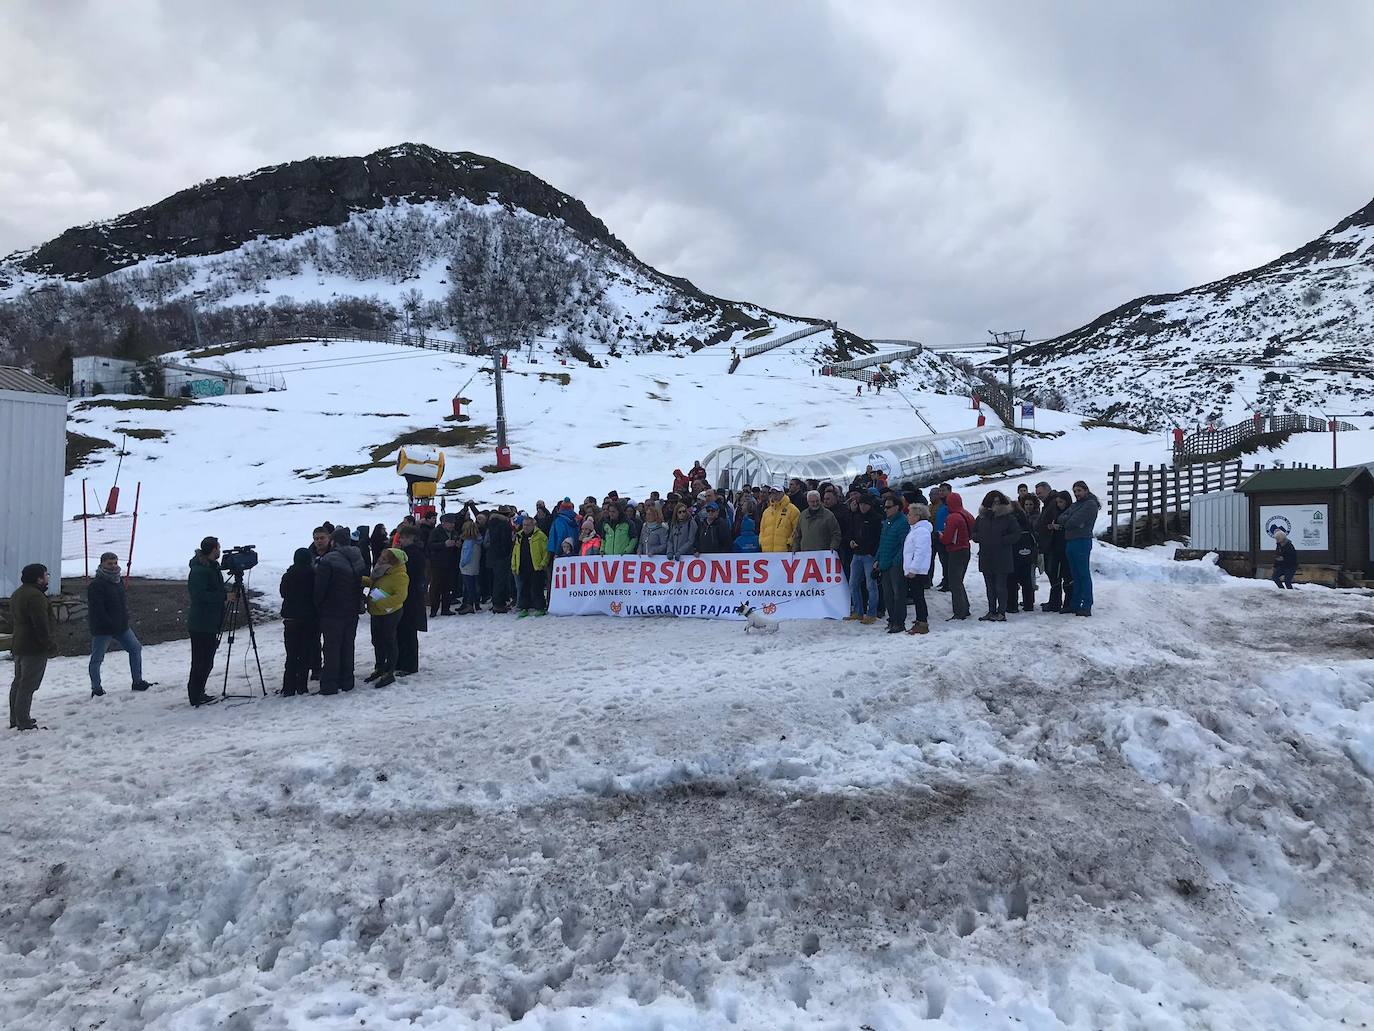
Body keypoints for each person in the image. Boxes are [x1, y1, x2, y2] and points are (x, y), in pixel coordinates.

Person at [87, 552, 151, 697]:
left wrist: (124, 618)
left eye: (115, 563)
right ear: (102, 564)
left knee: (135, 648)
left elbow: (121, 603)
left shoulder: (118, 580)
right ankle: (96, 689)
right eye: (110, 563)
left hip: (121, 625)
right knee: (97, 658)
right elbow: (97, 609)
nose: (113, 566)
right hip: (103, 629)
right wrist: (109, 624)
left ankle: (137, 681)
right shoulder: (96, 585)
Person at [315, 526, 365, 695]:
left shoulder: (329, 560)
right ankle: (347, 680)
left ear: (333, 541)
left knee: (332, 648)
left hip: (332, 610)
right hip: (352, 608)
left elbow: (320, 588)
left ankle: (329, 684)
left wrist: (318, 605)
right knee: (347, 645)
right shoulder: (358, 556)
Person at [9, 563, 56, 730]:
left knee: (18, 682)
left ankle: (15, 719)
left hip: (19, 644)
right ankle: (23, 721)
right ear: (38, 578)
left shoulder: (17, 593)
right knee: (27, 685)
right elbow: (40, 624)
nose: (47, 577)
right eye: (46, 574)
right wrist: (49, 644)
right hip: (33, 647)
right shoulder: (36, 597)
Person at [186, 537, 226, 706]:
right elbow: (199, 596)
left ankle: (199, 691)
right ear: (214, 549)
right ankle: (195, 694)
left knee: (206, 660)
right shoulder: (200, 571)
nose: (220, 551)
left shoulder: (211, 567)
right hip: (202, 623)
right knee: (201, 661)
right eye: (218, 547)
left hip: (210, 621)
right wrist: (223, 596)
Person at [361, 547, 408, 687]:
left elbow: (400, 597)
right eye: (381, 556)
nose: (380, 559)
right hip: (376, 612)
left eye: (384, 558)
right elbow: (373, 583)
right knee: (377, 641)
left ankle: (389, 672)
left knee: (389, 641)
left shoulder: (400, 575)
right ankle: (379, 668)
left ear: (393, 562)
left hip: (390, 613)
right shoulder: (380, 571)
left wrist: (380, 604)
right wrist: (360, 580)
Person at [973, 490, 1019, 622]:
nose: (995, 505)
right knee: (990, 587)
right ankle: (991, 610)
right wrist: (979, 538)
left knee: (1000, 586)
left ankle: (1001, 612)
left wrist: (1003, 540)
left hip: (1002, 556)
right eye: (992, 502)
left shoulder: (1008, 518)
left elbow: (1016, 534)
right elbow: (974, 532)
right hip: (986, 556)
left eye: (997, 502)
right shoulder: (981, 518)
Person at [1056, 480, 1101, 616]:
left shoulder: (1090, 505)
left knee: (1083, 574)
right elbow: (1061, 518)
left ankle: (1086, 604)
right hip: (1071, 541)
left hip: (1082, 541)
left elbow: (1072, 521)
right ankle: (1075, 604)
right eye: (1075, 491)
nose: (1077, 494)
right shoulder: (1076, 505)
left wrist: (1069, 520)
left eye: (1079, 491)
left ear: (1086, 490)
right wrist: (1069, 520)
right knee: (1075, 575)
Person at [279, 547, 318, 696]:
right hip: (309, 618)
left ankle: (288, 686)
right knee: (305, 653)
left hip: (291, 619)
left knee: (291, 654)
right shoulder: (313, 574)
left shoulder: (288, 575)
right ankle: (302, 685)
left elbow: (283, 593)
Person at [395, 524, 427, 676]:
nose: (400, 540)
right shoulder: (413, 552)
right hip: (411, 595)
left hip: (410, 596)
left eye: (403, 537)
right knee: (405, 631)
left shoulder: (410, 554)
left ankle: (409, 665)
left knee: (407, 632)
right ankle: (404, 663)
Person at [875, 496, 910, 634]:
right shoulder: (888, 522)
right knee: (888, 595)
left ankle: (899, 622)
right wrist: (877, 559)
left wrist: (896, 561)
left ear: (897, 507)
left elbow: (904, 545)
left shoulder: (902, 523)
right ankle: (892, 619)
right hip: (885, 562)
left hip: (895, 565)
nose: (885, 509)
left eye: (888, 507)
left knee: (898, 594)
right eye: (885, 507)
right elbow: (882, 543)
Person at [846, 493, 882, 624]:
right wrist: (851, 541)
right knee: (853, 584)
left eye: (865, 504)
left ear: (870, 505)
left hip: (868, 555)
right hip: (857, 554)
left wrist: (874, 554)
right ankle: (858, 611)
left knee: (870, 585)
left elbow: (878, 538)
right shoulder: (856, 517)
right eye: (861, 504)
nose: (862, 507)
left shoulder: (876, 518)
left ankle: (871, 613)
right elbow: (851, 532)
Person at [938, 491, 974, 620]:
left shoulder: (952, 517)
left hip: (955, 551)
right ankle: (965, 608)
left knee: (954, 582)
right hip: (965, 548)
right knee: (959, 581)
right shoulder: (966, 514)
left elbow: (947, 538)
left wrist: (941, 537)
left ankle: (960, 611)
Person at [902, 502, 934, 635]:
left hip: (917, 571)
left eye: (910, 514)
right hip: (914, 569)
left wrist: (913, 569)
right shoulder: (915, 530)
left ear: (917, 516)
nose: (908, 517)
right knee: (917, 596)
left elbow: (920, 551)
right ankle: (920, 619)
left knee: (919, 597)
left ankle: (922, 622)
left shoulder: (921, 531)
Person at [1041, 491, 1074, 612]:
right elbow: (1043, 524)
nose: (1059, 504)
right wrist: (1050, 527)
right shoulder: (1054, 511)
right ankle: (1055, 602)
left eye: (1061, 502)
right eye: (1058, 502)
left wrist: (1060, 527)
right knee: (1054, 575)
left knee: (1067, 575)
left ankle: (1068, 603)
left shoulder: (1071, 511)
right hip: (1054, 547)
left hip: (1065, 547)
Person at [511, 515, 550, 617]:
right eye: (524, 525)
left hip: (536, 566)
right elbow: (515, 552)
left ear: (533, 525)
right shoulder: (519, 536)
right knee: (524, 588)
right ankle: (524, 608)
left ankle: (540, 607)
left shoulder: (541, 536)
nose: (525, 527)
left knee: (537, 588)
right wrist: (514, 565)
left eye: (528, 525)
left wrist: (543, 563)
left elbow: (546, 551)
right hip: (523, 566)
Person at [1006, 501, 1037, 614]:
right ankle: (1029, 604)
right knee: (1027, 580)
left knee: (1012, 580)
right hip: (1026, 551)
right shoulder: (1025, 519)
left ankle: (1012, 605)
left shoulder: (1010, 520)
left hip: (1013, 552)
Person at [427, 513, 459, 617]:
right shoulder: (436, 532)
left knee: (447, 587)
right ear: (444, 523)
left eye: (453, 523)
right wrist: (444, 544)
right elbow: (430, 545)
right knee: (436, 588)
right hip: (437, 564)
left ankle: (446, 609)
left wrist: (458, 544)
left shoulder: (454, 532)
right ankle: (434, 610)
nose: (452, 525)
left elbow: (457, 541)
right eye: (450, 523)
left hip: (450, 564)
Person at [791, 490, 842, 554]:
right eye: (812, 502)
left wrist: (833, 548)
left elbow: (836, 534)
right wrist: (795, 549)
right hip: (805, 554)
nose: (815, 504)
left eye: (817, 501)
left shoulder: (829, 515)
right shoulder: (803, 515)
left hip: (823, 554)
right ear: (808, 502)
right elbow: (797, 535)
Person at [486, 508, 516, 612]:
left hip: (493, 555)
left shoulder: (492, 523)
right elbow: (505, 541)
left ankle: (498, 602)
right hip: (502, 556)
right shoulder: (504, 524)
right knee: (501, 580)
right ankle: (498, 604)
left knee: (496, 580)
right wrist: (507, 551)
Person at [760, 487, 799, 553]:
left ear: (783, 493)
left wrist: (790, 543)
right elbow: (762, 530)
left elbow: (796, 529)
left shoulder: (793, 510)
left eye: (777, 492)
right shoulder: (766, 511)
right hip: (767, 552)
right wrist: (761, 542)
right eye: (772, 492)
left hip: (784, 552)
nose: (775, 494)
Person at [457, 521, 484, 613]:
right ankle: (475, 603)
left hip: (467, 567)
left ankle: (469, 604)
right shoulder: (478, 540)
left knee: (468, 587)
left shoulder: (469, 541)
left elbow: (466, 555)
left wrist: (462, 564)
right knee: (474, 585)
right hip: (475, 566)